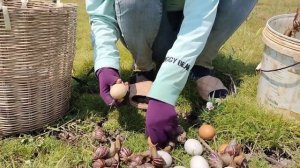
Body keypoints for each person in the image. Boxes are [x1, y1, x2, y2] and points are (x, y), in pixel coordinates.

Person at [86, 0, 257, 147]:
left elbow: (199, 17)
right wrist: (105, 62)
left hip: (198, 27)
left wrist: (166, 90)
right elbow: (101, 13)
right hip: (153, 27)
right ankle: (144, 66)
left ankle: (199, 65)